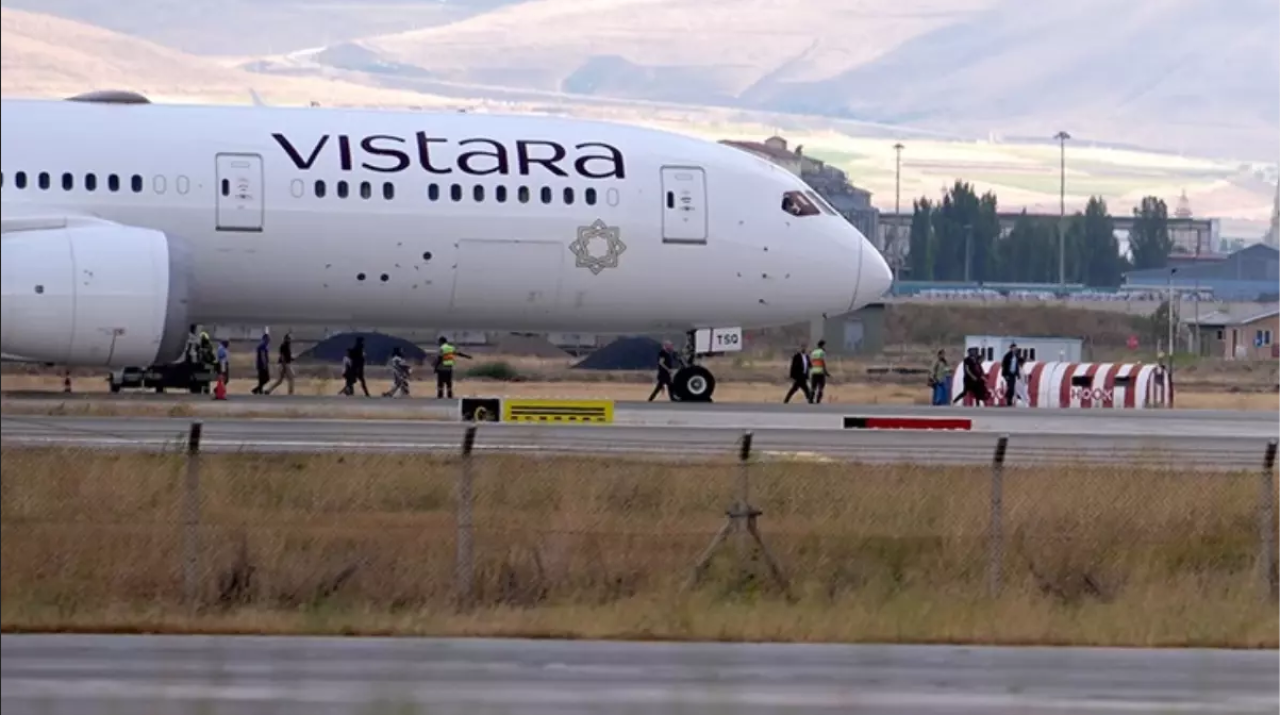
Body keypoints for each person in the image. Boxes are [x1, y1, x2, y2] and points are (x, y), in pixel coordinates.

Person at [809, 339, 830, 404]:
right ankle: (818, 400)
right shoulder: (822, 352)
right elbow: (822, 362)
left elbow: (811, 362)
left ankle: (811, 399)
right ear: (822, 345)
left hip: (813, 372)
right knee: (821, 387)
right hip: (820, 372)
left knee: (813, 387)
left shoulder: (813, 352)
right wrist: (826, 372)